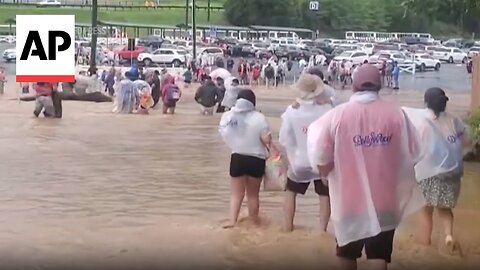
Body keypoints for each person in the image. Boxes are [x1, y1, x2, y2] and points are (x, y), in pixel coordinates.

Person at [307, 64, 424, 270]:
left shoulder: (338, 116)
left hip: (349, 199)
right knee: (378, 254)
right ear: (380, 85)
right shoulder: (397, 114)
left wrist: (327, 174)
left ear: (353, 86)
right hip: (386, 197)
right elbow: (415, 152)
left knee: (346, 252)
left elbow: (320, 158)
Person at [404, 88, 471, 251]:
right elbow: (467, 140)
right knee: (445, 208)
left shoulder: (421, 122)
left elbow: (413, 148)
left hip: (429, 173)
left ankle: (425, 243)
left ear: (426, 101)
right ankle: (448, 235)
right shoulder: (454, 120)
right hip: (452, 173)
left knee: (426, 211)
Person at [279, 73, 332, 232]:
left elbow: (284, 138)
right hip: (321, 162)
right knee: (324, 196)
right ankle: (322, 232)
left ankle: (288, 228)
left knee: (290, 193)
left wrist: (292, 155)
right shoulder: (327, 109)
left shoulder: (291, 110)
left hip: (299, 162)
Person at [218, 89, 274, 228]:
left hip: (237, 157)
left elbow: (224, 133)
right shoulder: (259, 117)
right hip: (256, 159)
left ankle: (232, 222)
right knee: (253, 195)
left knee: (236, 195)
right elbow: (267, 140)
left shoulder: (228, 116)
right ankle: (254, 222)